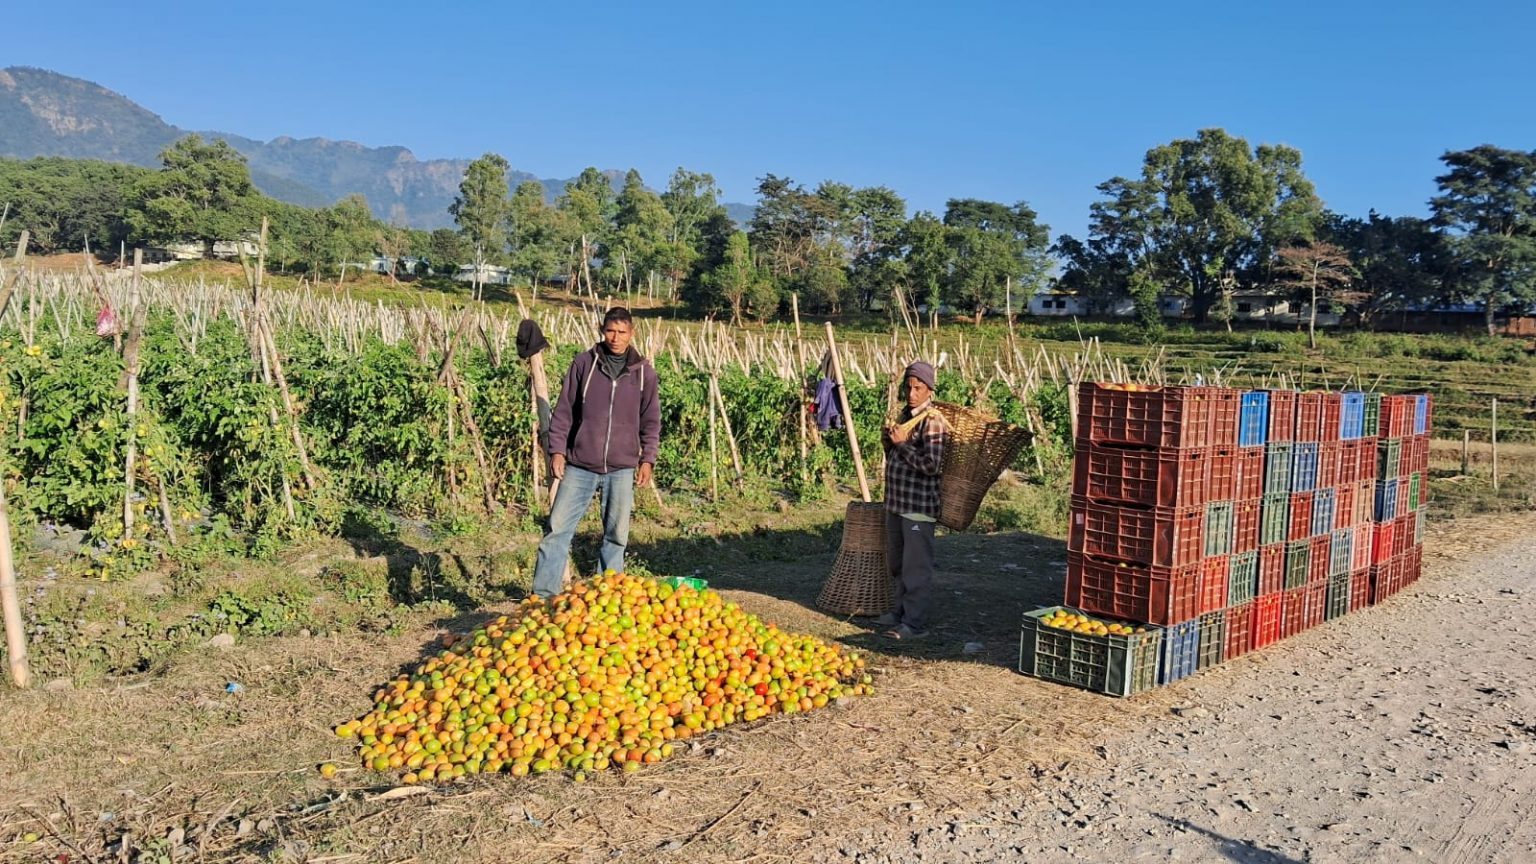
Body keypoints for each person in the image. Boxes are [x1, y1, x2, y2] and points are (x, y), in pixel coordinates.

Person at [532, 307, 660, 599]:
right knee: (557, 529)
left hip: (622, 467)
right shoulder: (584, 364)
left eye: (621, 332)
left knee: (616, 536)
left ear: (632, 333)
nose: (615, 338)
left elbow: (651, 420)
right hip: (580, 465)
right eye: (610, 331)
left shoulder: (644, 374)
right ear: (602, 330)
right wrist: (557, 451)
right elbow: (564, 411)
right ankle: (542, 597)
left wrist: (648, 458)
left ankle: (607, 597)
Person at [876, 360, 947, 640]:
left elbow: (933, 465)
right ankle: (898, 613)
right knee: (897, 562)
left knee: (916, 566)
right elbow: (895, 456)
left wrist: (902, 445)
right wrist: (890, 442)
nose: (912, 393)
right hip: (897, 503)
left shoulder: (933, 421)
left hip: (918, 507)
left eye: (918, 388)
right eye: (909, 387)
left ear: (929, 389)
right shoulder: (906, 416)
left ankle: (913, 624)